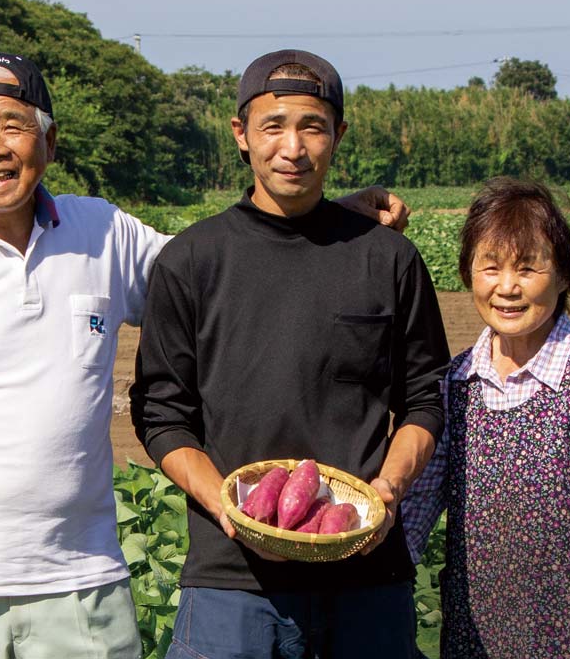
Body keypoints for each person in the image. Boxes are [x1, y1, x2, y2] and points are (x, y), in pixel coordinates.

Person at [0, 51, 411, 659]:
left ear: (50, 143)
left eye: (15, 126)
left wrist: (337, 223)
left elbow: (227, 264)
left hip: (82, 580)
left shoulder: (102, 232)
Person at [129, 49, 451, 659]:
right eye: (272, 125)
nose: (292, 147)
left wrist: (387, 489)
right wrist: (227, 506)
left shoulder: (387, 259)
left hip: (365, 574)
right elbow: (161, 412)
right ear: (241, 136)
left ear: (338, 136)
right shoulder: (193, 261)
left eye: (312, 126)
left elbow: (424, 398)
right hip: (233, 582)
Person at [400, 177, 570, 659]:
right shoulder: (456, 381)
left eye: (528, 268)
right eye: (490, 267)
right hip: (472, 644)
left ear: (565, 276)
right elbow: (413, 516)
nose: (507, 287)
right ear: (468, 275)